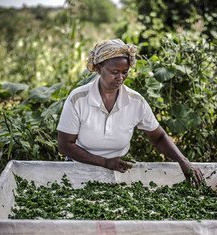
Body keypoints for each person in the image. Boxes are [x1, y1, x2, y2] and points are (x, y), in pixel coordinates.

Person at [57, 39, 204, 186]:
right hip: (78, 169)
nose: (120, 78)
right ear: (99, 68)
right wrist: (104, 162)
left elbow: (158, 137)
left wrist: (183, 161)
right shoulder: (78, 98)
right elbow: (65, 145)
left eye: (125, 72)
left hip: (117, 169)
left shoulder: (135, 102)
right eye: (114, 72)